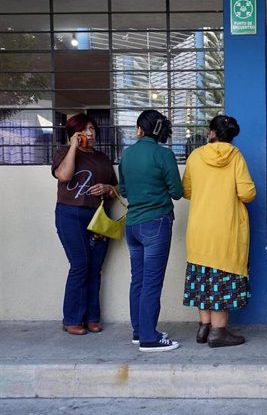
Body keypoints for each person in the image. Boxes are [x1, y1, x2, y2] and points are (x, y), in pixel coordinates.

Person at [182, 115, 256, 348]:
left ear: (212, 132)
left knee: (203, 276)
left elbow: (186, 190)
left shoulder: (195, 156)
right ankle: (219, 331)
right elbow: (247, 193)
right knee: (221, 277)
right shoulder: (235, 156)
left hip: (200, 227)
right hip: (226, 227)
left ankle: (204, 327)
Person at [119, 110, 183, 352]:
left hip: (132, 224)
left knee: (138, 279)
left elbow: (124, 190)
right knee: (152, 282)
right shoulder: (163, 154)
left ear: (139, 130)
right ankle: (149, 337)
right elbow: (176, 192)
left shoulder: (127, 154)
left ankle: (139, 330)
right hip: (156, 223)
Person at [52, 113, 119, 335]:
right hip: (70, 215)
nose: (90, 133)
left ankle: (92, 317)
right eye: (84, 130)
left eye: (92, 129)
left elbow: (117, 189)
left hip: (98, 218)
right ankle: (72, 319)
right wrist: (73, 147)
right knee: (80, 265)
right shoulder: (64, 153)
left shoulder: (103, 158)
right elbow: (63, 176)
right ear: (74, 133)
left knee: (94, 268)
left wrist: (107, 188)